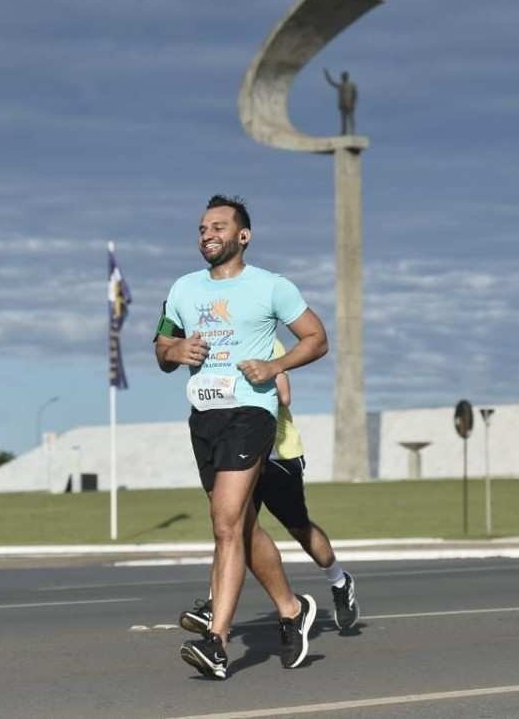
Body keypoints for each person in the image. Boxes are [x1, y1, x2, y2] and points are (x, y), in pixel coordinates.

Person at [155, 194, 328, 680]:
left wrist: (275, 366)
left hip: (250, 412)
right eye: (202, 228)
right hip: (204, 416)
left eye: (218, 227)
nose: (207, 234)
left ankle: (217, 641)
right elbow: (162, 347)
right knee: (240, 527)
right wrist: (176, 352)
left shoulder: (272, 286)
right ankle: (292, 609)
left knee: (225, 525)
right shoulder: (183, 289)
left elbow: (317, 338)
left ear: (243, 236)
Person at [180, 337, 360, 637]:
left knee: (299, 528)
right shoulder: (222, 341)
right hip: (239, 449)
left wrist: (244, 389)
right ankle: (213, 606)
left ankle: (339, 580)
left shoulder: (265, 342)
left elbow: (284, 396)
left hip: (278, 454)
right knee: (231, 526)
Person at [323, 68, 358, 135]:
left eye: (344, 76)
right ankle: (344, 132)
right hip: (342, 104)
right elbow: (331, 82)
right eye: (343, 76)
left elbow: (355, 95)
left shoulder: (352, 85)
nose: (343, 77)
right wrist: (327, 75)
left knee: (351, 118)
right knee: (343, 119)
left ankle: (353, 131)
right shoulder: (341, 85)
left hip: (350, 104)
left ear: (347, 77)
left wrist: (353, 104)